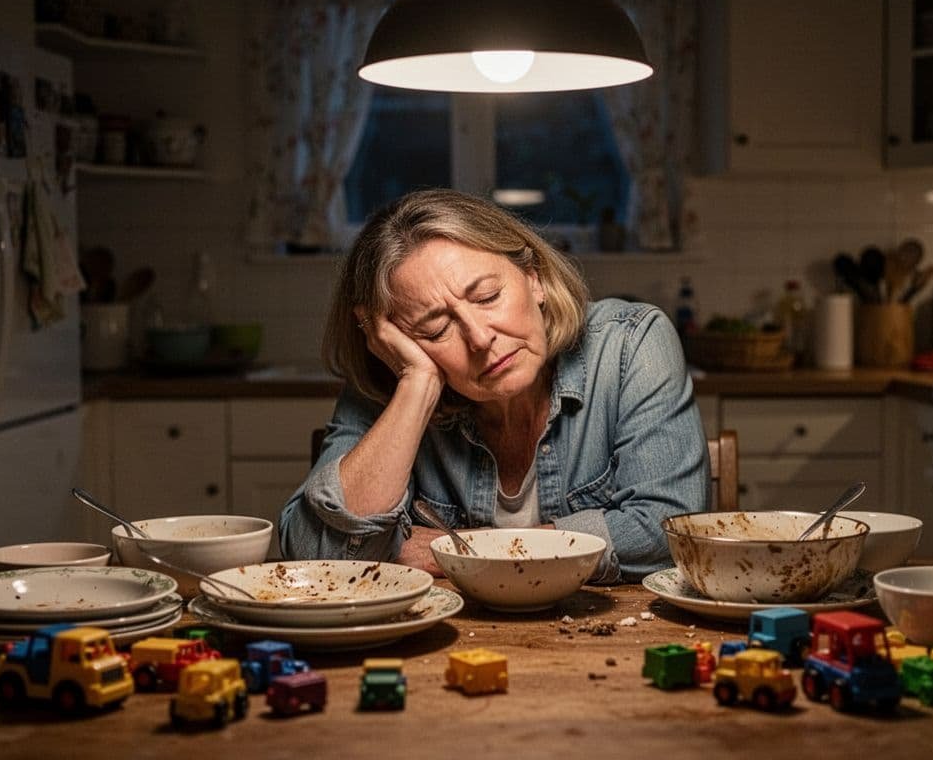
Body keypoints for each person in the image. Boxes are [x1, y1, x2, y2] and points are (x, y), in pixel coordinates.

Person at [279, 189, 709, 582]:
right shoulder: (394, 380)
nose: (480, 338)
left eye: (487, 297)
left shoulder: (631, 343)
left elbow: (668, 532)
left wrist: (464, 551)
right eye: (435, 329)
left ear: (534, 278)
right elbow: (316, 556)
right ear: (394, 344)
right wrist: (417, 384)